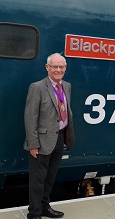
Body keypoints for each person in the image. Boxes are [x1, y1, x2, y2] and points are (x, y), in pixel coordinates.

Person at [24, 53, 75, 219]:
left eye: (62, 67)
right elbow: (30, 117)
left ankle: (45, 207)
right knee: (38, 180)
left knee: (50, 177)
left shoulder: (66, 86)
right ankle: (34, 213)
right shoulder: (37, 87)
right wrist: (33, 143)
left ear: (65, 68)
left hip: (59, 138)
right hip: (41, 141)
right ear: (48, 68)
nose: (58, 70)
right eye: (55, 66)